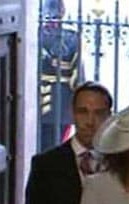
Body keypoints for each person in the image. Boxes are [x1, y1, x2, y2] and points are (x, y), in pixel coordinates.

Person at [39, 0, 85, 150]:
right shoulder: (72, 37)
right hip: (61, 102)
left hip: (40, 102)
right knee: (55, 148)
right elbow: (77, 78)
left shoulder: (33, 34)